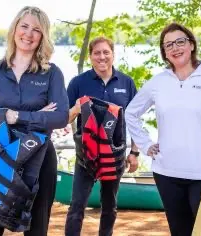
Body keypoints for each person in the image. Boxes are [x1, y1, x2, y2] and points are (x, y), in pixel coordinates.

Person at [125, 22, 201, 236]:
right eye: (168, 45)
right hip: (167, 172)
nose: (175, 48)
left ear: (191, 45)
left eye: (180, 42)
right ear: (164, 52)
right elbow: (130, 113)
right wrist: (145, 145)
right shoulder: (159, 82)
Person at [0, 6, 69, 235]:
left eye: (36, 30)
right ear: (14, 29)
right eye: (24, 26)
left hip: (40, 158)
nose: (28, 34)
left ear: (43, 37)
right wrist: (39, 117)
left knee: (36, 229)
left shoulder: (51, 73)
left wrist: (15, 116)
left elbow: (60, 116)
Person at [65, 36, 139, 236]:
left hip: (113, 156)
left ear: (113, 55)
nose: (102, 57)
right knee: (76, 206)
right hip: (86, 156)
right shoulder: (78, 83)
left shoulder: (127, 82)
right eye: (96, 53)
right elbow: (64, 119)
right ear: (90, 57)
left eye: (106, 52)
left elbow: (135, 121)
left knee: (110, 207)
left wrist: (134, 153)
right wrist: (76, 110)